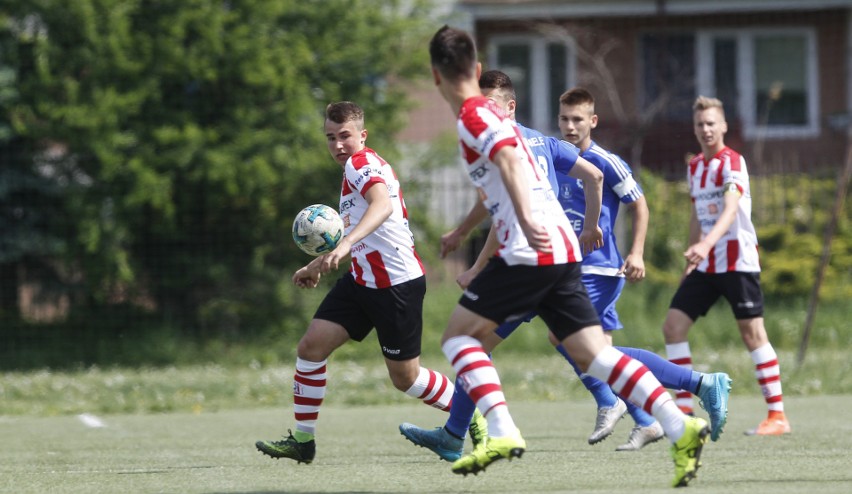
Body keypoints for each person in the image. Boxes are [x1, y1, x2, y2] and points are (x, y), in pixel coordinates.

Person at [427, 25, 709, 488]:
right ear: (475, 70)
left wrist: (523, 217)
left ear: (436, 77)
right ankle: (681, 427)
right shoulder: (497, 119)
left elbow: (511, 166)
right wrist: (462, 230)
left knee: (460, 339)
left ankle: (501, 431)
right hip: (561, 245)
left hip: (529, 246)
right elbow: (505, 175)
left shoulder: (474, 117)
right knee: (593, 355)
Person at [254, 101, 456, 464]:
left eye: (345, 135)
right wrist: (319, 263)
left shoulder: (360, 164)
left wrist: (343, 244)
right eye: (330, 137)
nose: (338, 144)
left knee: (406, 379)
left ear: (362, 135)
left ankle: (469, 417)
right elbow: (364, 230)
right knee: (311, 347)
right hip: (362, 280)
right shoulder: (356, 168)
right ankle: (302, 441)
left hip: (396, 284)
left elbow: (382, 206)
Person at [662, 96, 790, 436]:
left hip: (737, 261)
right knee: (673, 326)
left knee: (752, 334)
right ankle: (684, 411)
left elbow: (731, 208)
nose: (705, 129)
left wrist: (706, 244)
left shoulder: (732, 162)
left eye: (711, 123)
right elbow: (696, 213)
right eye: (700, 124)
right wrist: (693, 252)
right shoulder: (694, 167)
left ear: (723, 126)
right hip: (706, 265)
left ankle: (777, 416)